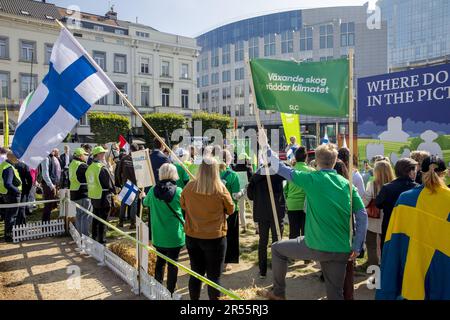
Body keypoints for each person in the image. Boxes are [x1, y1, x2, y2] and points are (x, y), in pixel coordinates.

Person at [261, 144, 368, 300]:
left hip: (314, 246)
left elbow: (282, 169)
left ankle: (278, 293)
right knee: (335, 293)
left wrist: (266, 148)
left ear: (316, 161)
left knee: (277, 249)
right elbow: (362, 215)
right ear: (335, 160)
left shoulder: (312, 179)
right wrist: (357, 246)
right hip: (341, 249)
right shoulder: (348, 185)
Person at [376, 156, 450, 300]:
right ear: (444, 173)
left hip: (412, 269)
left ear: (420, 172)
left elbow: (393, 243)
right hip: (443, 271)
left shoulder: (404, 199)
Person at [180, 157, 235, 300]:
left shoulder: (189, 187)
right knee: (214, 277)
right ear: (215, 171)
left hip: (193, 236)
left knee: (196, 273)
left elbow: (183, 205)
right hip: (214, 238)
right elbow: (231, 209)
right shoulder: (220, 189)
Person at [142, 163, 185, 295]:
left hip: (158, 235)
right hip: (174, 235)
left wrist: (143, 195)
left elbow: (145, 203)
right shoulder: (178, 191)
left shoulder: (152, 190)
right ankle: (170, 291)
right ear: (174, 174)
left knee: (160, 262)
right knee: (173, 263)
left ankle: (157, 288)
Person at [247, 161, 286, 279]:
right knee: (276, 242)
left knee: (264, 242)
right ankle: (273, 271)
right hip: (274, 213)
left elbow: (250, 196)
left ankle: (265, 271)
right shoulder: (278, 175)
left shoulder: (255, 178)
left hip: (264, 213)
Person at [376, 158, 418, 247]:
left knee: (389, 256)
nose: (416, 172)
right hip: (411, 229)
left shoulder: (387, 188)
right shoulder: (418, 189)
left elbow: (378, 204)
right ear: (410, 171)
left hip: (391, 227)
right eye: (414, 169)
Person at [362, 160, 395, 267]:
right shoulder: (394, 185)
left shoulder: (372, 185)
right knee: (387, 245)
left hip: (373, 220)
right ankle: (385, 266)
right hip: (389, 220)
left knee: (371, 245)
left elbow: (364, 202)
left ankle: (374, 268)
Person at [86, 146, 115, 244]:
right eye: (102, 153)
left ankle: (94, 237)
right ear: (98, 155)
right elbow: (109, 183)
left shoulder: (90, 167)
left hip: (94, 196)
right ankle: (101, 240)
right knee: (103, 220)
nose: (104, 154)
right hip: (103, 197)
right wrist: (111, 172)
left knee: (95, 218)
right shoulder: (101, 168)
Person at [284, 146, 314, 240]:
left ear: (295, 157)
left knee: (293, 233)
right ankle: (306, 253)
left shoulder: (291, 171)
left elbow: (286, 190)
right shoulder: (311, 171)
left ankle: (293, 254)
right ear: (306, 157)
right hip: (307, 206)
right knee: (306, 233)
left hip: (292, 205)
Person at [219, 149, 241, 268]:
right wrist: (242, 192)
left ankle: (216, 260)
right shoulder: (233, 175)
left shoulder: (212, 173)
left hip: (215, 210)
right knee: (230, 236)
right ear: (228, 159)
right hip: (230, 210)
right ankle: (227, 262)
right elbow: (235, 195)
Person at [0, 151, 22, 242]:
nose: (18, 159)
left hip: (5, 193)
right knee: (12, 216)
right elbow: (8, 184)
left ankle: (8, 235)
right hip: (12, 194)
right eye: (17, 157)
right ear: (12, 158)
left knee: (9, 215)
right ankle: (9, 236)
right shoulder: (8, 168)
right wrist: (17, 192)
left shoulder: (4, 165)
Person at [116, 143, 139, 229]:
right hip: (135, 184)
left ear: (130, 149)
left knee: (124, 203)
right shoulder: (139, 159)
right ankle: (132, 223)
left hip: (126, 183)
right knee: (133, 204)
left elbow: (118, 172)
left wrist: (121, 182)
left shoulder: (124, 158)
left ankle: (121, 222)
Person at [70, 148, 92, 236]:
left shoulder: (71, 164)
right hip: (83, 193)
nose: (86, 156)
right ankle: (86, 237)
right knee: (86, 217)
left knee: (78, 217)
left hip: (74, 193)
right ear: (80, 156)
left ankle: (79, 237)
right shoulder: (82, 165)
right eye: (85, 155)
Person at [232, 152, 254, 233]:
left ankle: (244, 227)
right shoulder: (248, 168)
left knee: (241, 209)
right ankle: (257, 227)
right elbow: (252, 179)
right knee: (253, 208)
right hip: (248, 190)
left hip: (239, 191)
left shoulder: (234, 168)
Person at [40, 149, 61, 222]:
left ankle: (46, 223)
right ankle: (45, 225)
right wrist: (52, 186)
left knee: (50, 206)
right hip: (48, 185)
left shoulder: (51, 157)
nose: (54, 150)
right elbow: (45, 174)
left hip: (51, 184)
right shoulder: (46, 158)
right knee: (48, 206)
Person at [15, 160, 33, 225]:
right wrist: (28, 190)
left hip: (12, 190)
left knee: (13, 210)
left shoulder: (7, 163)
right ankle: (21, 226)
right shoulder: (23, 164)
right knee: (22, 208)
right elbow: (29, 179)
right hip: (22, 189)